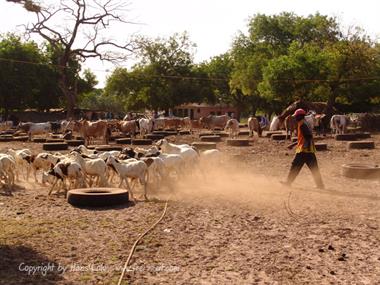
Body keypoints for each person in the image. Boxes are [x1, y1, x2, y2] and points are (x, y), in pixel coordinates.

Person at [281, 108, 325, 189]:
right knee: (314, 168)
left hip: (303, 150)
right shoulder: (305, 123)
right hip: (309, 149)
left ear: (299, 116)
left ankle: (288, 182)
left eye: (296, 116)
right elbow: (304, 137)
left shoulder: (302, 124)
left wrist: (305, 146)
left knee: (295, 166)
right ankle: (320, 185)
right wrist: (293, 144)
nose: (295, 118)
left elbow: (308, 136)